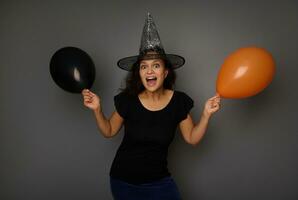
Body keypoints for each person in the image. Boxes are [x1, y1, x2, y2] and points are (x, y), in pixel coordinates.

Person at [82, 13, 221, 200]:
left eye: (156, 66)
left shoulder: (178, 102)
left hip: (159, 182)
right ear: (139, 73)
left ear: (165, 73)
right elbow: (108, 131)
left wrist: (206, 114)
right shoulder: (128, 100)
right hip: (124, 181)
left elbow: (192, 138)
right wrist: (97, 110)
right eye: (143, 66)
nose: (149, 71)